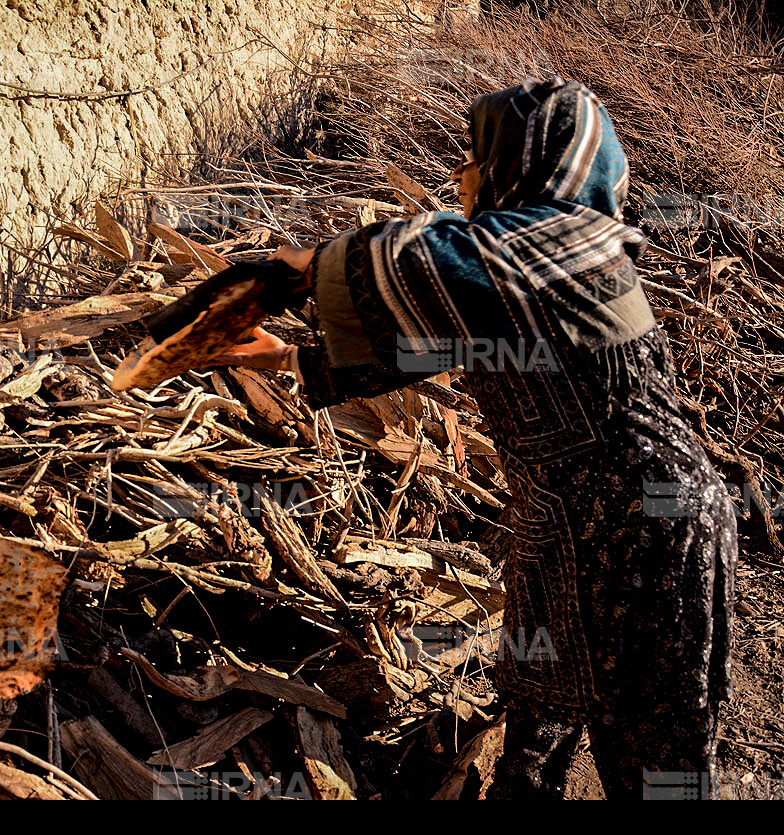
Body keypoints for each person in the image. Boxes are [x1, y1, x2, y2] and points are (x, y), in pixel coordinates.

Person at [217, 77, 737, 799]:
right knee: (538, 710)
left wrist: (294, 269)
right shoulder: (552, 259)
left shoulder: (556, 246)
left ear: (521, 168)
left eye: (474, 160)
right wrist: (287, 358)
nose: (460, 177)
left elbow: (421, 257)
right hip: (571, 526)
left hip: (646, 531)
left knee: (655, 761)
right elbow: (453, 344)